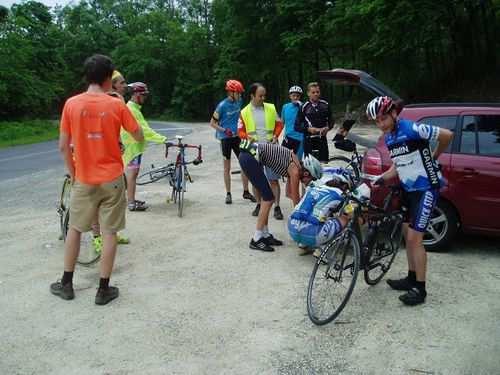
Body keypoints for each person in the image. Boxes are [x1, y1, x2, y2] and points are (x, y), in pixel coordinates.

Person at [51, 54, 144, 305]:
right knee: (110, 232)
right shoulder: (116, 105)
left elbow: (62, 146)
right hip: (112, 178)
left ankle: (67, 283)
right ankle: (103, 290)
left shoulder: (71, 104)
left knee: (75, 229)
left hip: (84, 178)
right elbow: (137, 135)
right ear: (107, 78)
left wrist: (73, 172)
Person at [367, 96, 453, 306]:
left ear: (394, 113)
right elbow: (396, 166)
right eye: (377, 121)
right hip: (408, 190)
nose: (381, 124)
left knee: (415, 240)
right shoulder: (389, 137)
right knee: (407, 236)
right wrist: (380, 178)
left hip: (426, 190)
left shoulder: (412, 128)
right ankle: (411, 278)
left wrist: (434, 156)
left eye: (384, 118)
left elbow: (447, 135)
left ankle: (420, 290)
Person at [238, 140, 317, 252]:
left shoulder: (295, 164)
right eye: (311, 179)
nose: (309, 183)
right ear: (306, 173)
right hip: (249, 156)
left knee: (268, 197)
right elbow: (295, 198)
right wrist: (302, 220)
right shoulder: (295, 171)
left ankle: (265, 235)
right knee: (269, 198)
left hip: (249, 154)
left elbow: (289, 193)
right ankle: (256, 239)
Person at [238, 83, 284, 220]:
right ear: (252, 95)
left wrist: (276, 135)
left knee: (273, 179)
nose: (263, 98)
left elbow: (279, 124)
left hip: (270, 147)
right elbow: (240, 131)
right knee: (256, 180)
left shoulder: (271, 108)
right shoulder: (244, 112)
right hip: (253, 149)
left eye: (264, 95)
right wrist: (247, 137)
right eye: (260, 96)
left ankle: (277, 206)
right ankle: (259, 204)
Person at [121, 82, 168, 211]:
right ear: (136, 94)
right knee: (132, 174)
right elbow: (144, 130)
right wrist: (162, 139)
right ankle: (130, 202)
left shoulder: (134, 108)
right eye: (143, 95)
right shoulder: (131, 109)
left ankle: (131, 200)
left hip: (134, 147)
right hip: (132, 147)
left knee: (132, 174)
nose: (145, 98)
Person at [288, 167, 354, 256]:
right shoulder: (340, 194)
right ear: (345, 185)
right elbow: (350, 213)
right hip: (314, 235)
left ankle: (302, 246)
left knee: (311, 214)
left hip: (292, 229)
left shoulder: (313, 188)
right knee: (344, 219)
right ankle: (321, 250)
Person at [209, 79, 255, 204]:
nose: (240, 95)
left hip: (237, 137)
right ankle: (228, 194)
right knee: (227, 167)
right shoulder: (222, 106)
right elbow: (212, 123)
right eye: (238, 93)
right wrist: (224, 130)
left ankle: (246, 192)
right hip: (225, 138)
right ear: (231, 92)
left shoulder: (238, 101)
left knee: (245, 163)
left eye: (240, 93)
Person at [294, 82, 333, 163]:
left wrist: (328, 128)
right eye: (313, 92)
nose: (316, 94)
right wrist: (308, 129)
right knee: (310, 167)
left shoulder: (325, 105)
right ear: (308, 93)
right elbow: (296, 126)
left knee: (323, 164)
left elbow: (331, 121)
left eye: (317, 92)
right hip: (309, 140)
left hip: (322, 140)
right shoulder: (304, 107)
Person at [281, 85, 304, 159]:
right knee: (282, 157)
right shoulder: (285, 107)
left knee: (297, 161)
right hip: (288, 137)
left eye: (297, 96)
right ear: (290, 96)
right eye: (293, 95)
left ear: (300, 97)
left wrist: (302, 107)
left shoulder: (304, 106)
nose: (295, 98)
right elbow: (282, 122)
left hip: (300, 139)